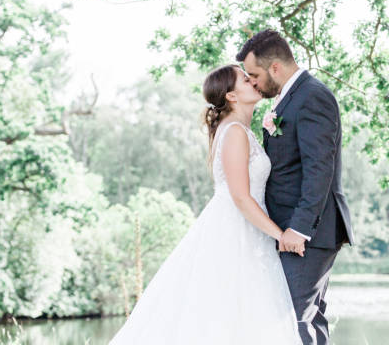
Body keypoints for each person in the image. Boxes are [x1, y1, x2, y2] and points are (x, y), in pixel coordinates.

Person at [108, 64, 302, 345]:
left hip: (248, 230)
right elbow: (240, 197)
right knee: (226, 314)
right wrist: (279, 235)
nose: (254, 82)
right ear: (232, 96)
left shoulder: (240, 130)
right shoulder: (234, 131)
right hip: (234, 232)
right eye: (246, 80)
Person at [237, 29, 354, 345]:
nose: (253, 82)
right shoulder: (288, 98)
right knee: (306, 320)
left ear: (275, 67)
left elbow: (320, 167)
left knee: (294, 322)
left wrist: (298, 230)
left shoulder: (312, 95)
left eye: (255, 74)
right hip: (291, 230)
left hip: (305, 235)